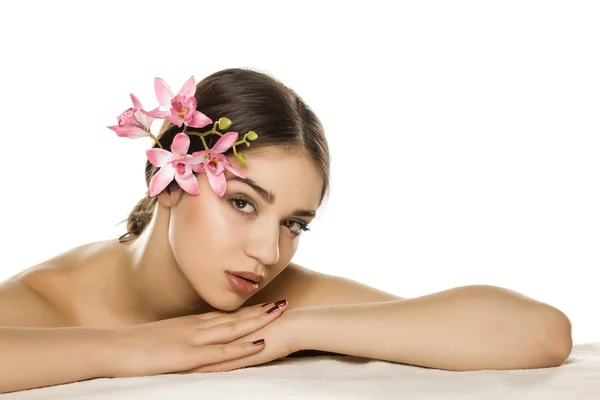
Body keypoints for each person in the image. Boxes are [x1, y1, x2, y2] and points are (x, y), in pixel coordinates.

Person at [0, 68, 572, 393]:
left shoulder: (275, 301)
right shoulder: (50, 298)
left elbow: (538, 334)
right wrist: (132, 348)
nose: (268, 251)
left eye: (294, 223)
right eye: (245, 204)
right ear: (169, 180)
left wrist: (295, 331)